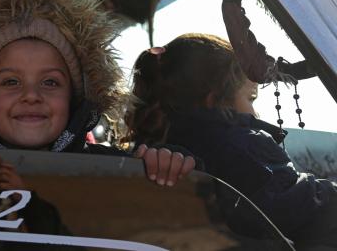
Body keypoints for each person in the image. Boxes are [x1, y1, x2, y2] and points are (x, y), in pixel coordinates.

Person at [0, 0, 194, 186]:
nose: (31, 95)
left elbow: (197, 199)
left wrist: (168, 165)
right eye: (10, 82)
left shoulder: (114, 172)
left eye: (50, 82)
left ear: (75, 99)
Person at [126, 33, 337, 247]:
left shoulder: (155, 161)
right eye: (250, 98)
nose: (255, 113)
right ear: (214, 100)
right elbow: (309, 208)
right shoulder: (242, 147)